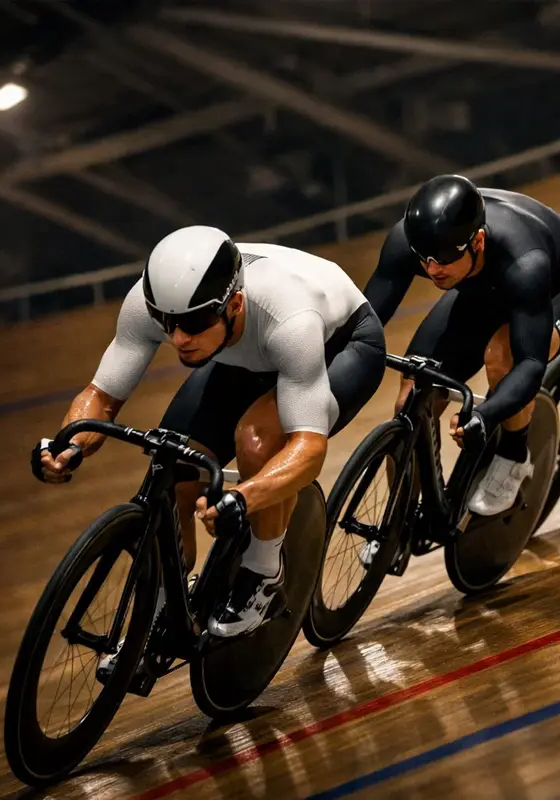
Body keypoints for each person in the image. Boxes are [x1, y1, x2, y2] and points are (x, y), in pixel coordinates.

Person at [30, 226, 386, 651]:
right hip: (243, 351)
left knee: (257, 441)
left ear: (234, 303)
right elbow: (100, 397)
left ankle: (264, 570)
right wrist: (69, 444)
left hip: (338, 345)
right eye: (168, 323)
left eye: (193, 323)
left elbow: (307, 450)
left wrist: (244, 498)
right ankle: (166, 602)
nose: (179, 338)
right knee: (175, 461)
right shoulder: (161, 305)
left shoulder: (290, 319)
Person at [364, 175, 560, 517]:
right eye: (423, 259)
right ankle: (399, 518)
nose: (432, 269)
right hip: (478, 288)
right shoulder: (417, 242)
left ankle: (515, 456)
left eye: (442, 258)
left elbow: (531, 364)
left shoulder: (525, 261)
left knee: (502, 358)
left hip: (558, 288)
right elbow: (365, 323)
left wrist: (485, 416)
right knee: (411, 396)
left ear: (479, 241)